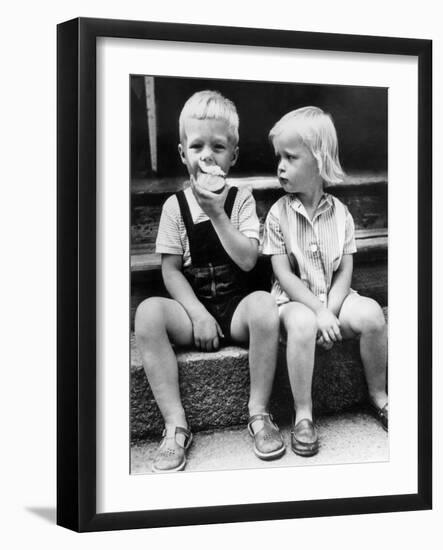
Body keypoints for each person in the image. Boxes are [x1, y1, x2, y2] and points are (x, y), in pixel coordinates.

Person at [135, 90, 285, 473]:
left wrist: (217, 213)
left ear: (232, 156)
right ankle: (175, 425)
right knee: (148, 313)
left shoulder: (241, 199)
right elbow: (170, 270)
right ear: (183, 153)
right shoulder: (175, 207)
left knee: (266, 305)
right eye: (197, 145)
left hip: (237, 308)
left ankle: (258, 413)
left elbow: (249, 259)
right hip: (195, 308)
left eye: (218, 147)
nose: (207, 155)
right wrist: (198, 315)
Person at [262, 106, 388, 457]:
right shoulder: (278, 214)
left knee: (373, 315)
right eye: (279, 158)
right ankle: (303, 414)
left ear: (318, 161)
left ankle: (379, 395)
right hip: (294, 305)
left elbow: (345, 271)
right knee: (302, 324)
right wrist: (317, 311)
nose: (280, 166)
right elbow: (283, 274)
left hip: (334, 300)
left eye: (290, 157)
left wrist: (330, 311)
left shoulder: (342, 214)